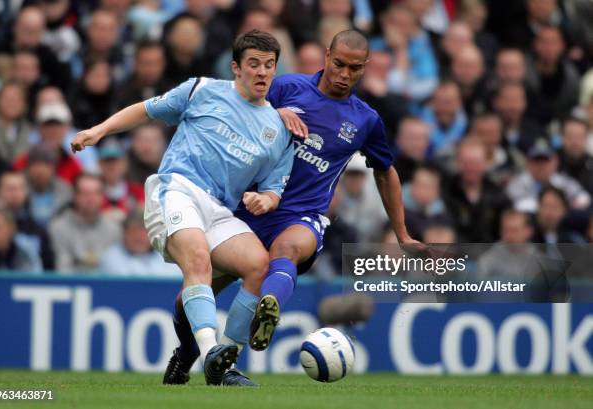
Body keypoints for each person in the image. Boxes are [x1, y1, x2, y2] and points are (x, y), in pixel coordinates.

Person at [166, 30, 418, 385]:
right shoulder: (287, 87)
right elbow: (242, 104)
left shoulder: (366, 120)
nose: (345, 74)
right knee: (191, 293)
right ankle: (188, 352)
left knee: (285, 250)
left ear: (365, 68)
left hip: (304, 214)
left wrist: (402, 231)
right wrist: (275, 110)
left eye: (355, 68)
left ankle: (263, 313)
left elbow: (385, 171)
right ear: (327, 56)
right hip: (249, 208)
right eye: (340, 64)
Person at [70, 30, 293, 386]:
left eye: (269, 65)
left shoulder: (280, 130)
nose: (262, 72)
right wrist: (99, 130)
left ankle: (226, 361)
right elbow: (146, 110)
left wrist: (264, 199)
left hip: (219, 208)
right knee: (198, 260)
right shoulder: (202, 90)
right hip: (177, 189)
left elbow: (273, 190)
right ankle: (209, 353)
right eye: (254, 64)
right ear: (236, 68)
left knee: (257, 265)